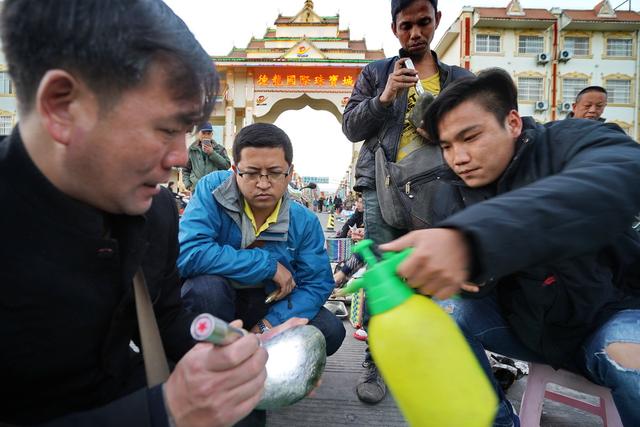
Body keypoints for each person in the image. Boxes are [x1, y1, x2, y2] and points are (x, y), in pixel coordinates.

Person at [0, 1, 301, 426]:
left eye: (187, 132)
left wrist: (230, 349)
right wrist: (168, 411)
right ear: (62, 107)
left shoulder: (156, 211)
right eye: (165, 129)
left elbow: (165, 317)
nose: (180, 158)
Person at [383, 68, 640, 426]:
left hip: (611, 314)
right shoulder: (448, 192)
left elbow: (618, 177)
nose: (458, 157)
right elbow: (476, 284)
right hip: (528, 327)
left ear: (513, 122)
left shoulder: (574, 139)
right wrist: (432, 276)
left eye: (470, 137)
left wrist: (472, 240)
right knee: (434, 314)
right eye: (447, 146)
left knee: (629, 357)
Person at [341, 0, 473, 404]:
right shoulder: (376, 72)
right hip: (382, 187)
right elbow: (350, 127)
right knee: (383, 273)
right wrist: (383, 98)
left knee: (428, 275)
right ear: (394, 28)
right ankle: (377, 360)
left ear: (436, 22)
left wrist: (446, 131)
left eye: (423, 23)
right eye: (405, 25)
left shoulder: (460, 80)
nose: (415, 32)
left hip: (439, 190)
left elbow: (475, 130)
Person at [178, 123, 346, 356]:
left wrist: (266, 327)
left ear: (289, 172)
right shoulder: (212, 190)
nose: (264, 184)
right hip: (220, 298)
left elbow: (317, 284)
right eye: (252, 173)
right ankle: (214, 361)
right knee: (205, 290)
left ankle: (263, 363)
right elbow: (189, 254)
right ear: (235, 169)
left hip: (269, 303)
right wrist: (266, 265)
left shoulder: (304, 221)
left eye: (275, 173)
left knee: (329, 330)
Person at [182, 122, 231, 191]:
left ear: (212, 134)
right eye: (203, 133)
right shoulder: (191, 150)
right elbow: (185, 170)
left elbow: (227, 166)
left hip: (215, 189)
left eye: (208, 133)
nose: (206, 136)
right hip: (197, 189)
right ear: (198, 133)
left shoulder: (219, 149)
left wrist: (212, 153)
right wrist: (188, 185)